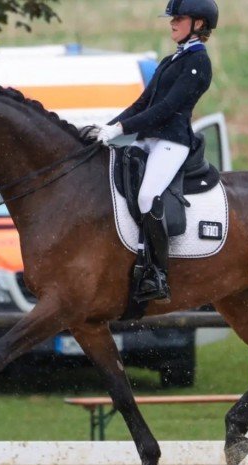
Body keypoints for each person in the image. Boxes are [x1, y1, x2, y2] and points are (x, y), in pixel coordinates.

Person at [89, 0, 219, 303]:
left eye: (179, 18)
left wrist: (121, 130)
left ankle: (156, 272)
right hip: (149, 140)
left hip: (173, 142)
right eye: (172, 18)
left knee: (148, 196)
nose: (172, 23)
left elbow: (167, 108)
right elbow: (142, 104)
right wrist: (104, 129)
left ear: (198, 24)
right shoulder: (169, 61)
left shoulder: (199, 63)